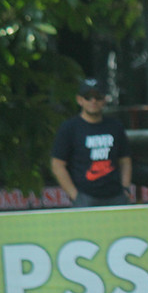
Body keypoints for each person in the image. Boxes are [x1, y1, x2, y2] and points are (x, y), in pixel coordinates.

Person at [50, 77, 132, 208]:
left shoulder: (115, 126)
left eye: (98, 97)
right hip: (85, 197)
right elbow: (57, 165)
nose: (93, 101)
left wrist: (126, 188)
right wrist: (75, 195)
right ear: (79, 100)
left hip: (116, 196)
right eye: (88, 97)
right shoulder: (69, 128)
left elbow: (125, 160)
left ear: (104, 99)